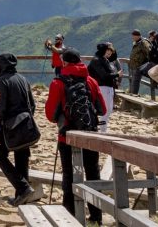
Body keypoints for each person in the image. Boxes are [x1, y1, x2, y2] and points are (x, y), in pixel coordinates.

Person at [45, 48, 106, 224]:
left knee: (69, 176)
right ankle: (96, 217)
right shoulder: (91, 82)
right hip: (90, 135)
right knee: (93, 174)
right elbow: (103, 109)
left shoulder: (58, 83)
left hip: (67, 137)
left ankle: (70, 216)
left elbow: (50, 115)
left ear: (64, 62)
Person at [0, 53, 36, 206]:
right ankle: (22, 196)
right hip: (26, 124)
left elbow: (0, 108)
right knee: (22, 157)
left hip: (10, 126)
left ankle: (23, 188)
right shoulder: (23, 79)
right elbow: (33, 104)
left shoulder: (2, 81)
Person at [87, 42, 118, 132]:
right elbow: (103, 75)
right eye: (107, 50)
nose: (109, 53)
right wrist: (116, 75)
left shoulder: (104, 59)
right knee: (106, 110)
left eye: (111, 51)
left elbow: (113, 57)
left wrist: (111, 47)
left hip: (107, 87)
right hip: (102, 87)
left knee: (108, 110)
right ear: (103, 50)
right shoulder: (97, 60)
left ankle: (103, 129)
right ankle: (102, 131)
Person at [128, 29, 150, 94]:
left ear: (137, 36)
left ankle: (133, 96)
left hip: (138, 66)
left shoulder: (143, 43)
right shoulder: (137, 42)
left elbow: (148, 52)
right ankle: (131, 95)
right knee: (133, 81)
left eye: (133, 36)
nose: (132, 37)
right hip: (133, 66)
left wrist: (144, 64)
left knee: (135, 82)